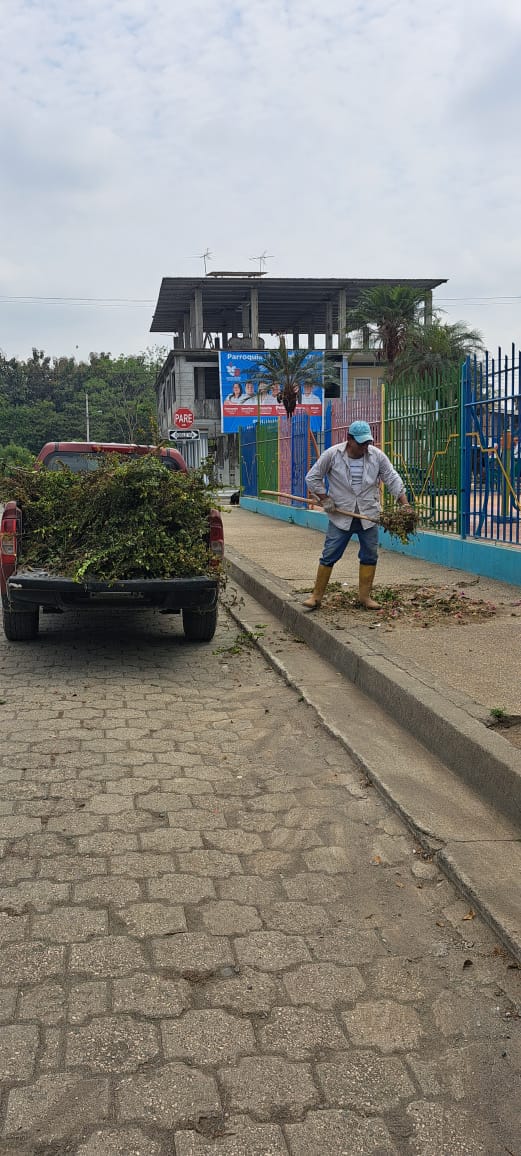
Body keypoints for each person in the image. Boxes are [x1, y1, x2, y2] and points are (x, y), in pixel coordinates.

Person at [303, 420, 412, 610]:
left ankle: (365, 597)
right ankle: (316, 596)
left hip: (368, 515)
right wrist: (325, 498)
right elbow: (312, 477)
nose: (364, 447)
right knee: (329, 554)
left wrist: (406, 505)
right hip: (340, 516)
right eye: (360, 443)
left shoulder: (376, 456)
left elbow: (392, 478)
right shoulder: (332, 455)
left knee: (370, 555)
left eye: (367, 443)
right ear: (349, 439)